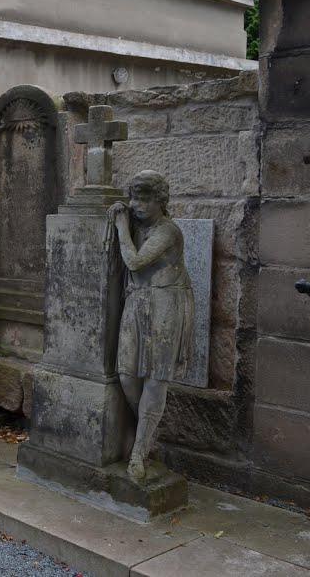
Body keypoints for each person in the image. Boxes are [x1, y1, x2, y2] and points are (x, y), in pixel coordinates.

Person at [107, 170, 194, 481]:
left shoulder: (167, 231)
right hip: (138, 301)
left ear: (161, 201)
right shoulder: (137, 225)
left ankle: (139, 453)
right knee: (127, 374)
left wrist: (119, 225)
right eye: (134, 198)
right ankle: (146, 432)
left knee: (156, 379)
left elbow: (135, 262)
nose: (137, 205)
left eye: (145, 199)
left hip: (166, 305)